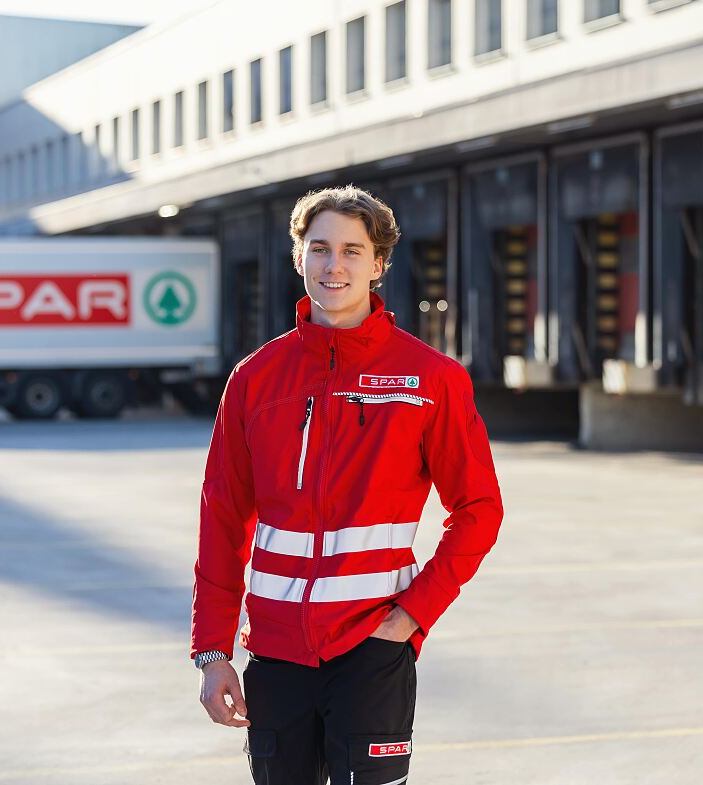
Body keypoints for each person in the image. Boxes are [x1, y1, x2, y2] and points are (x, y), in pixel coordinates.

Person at [191, 185, 503, 785]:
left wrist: (413, 616)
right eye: (320, 248)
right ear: (298, 257)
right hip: (276, 652)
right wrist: (212, 651)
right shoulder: (254, 379)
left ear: (379, 263)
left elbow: (479, 509)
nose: (335, 266)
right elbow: (223, 518)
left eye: (353, 251)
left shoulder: (430, 379)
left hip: (372, 648)